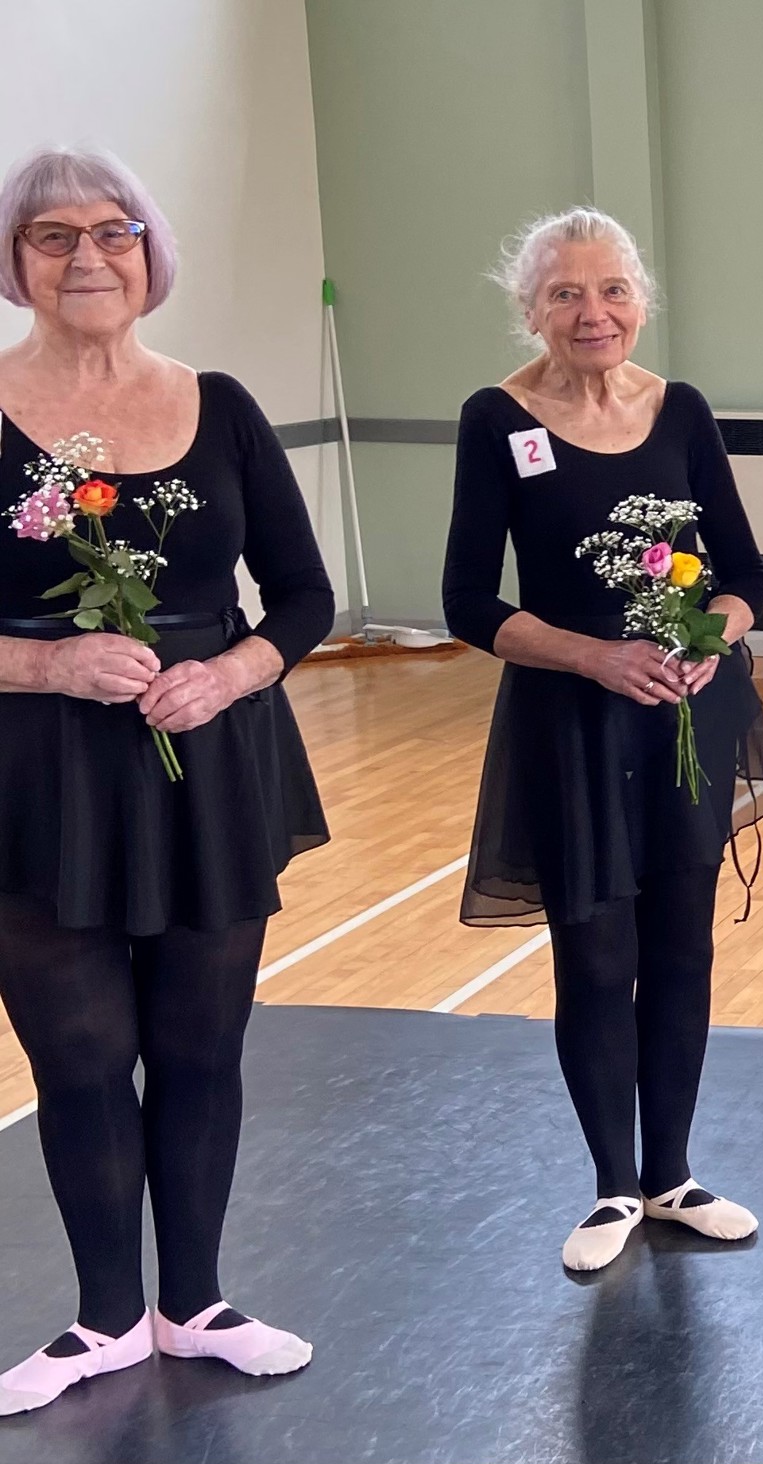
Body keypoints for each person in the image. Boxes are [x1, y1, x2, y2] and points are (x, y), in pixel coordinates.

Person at [0, 146, 330, 1413]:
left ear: (149, 251)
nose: (88, 256)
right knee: (79, 1056)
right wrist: (50, 670)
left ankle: (191, 1302)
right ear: (19, 261)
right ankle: (100, 1321)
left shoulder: (226, 405)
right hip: (39, 774)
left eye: (113, 231)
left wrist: (237, 672)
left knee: (201, 1048)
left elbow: (302, 596)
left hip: (211, 760)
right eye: (52, 235)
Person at [442, 207, 763, 1272]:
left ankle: (672, 1175)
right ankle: (610, 1190)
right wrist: (594, 657)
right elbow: (465, 600)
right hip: (572, 721)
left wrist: (707, 640)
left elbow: (746, 576)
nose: (593, 313)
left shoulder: (679, 410)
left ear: (640, 301)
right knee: (597, 957)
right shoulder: (498, 418)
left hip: (686, 711)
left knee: (685, 947)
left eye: (612, 291)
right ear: (531, 308)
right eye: (565, 294)